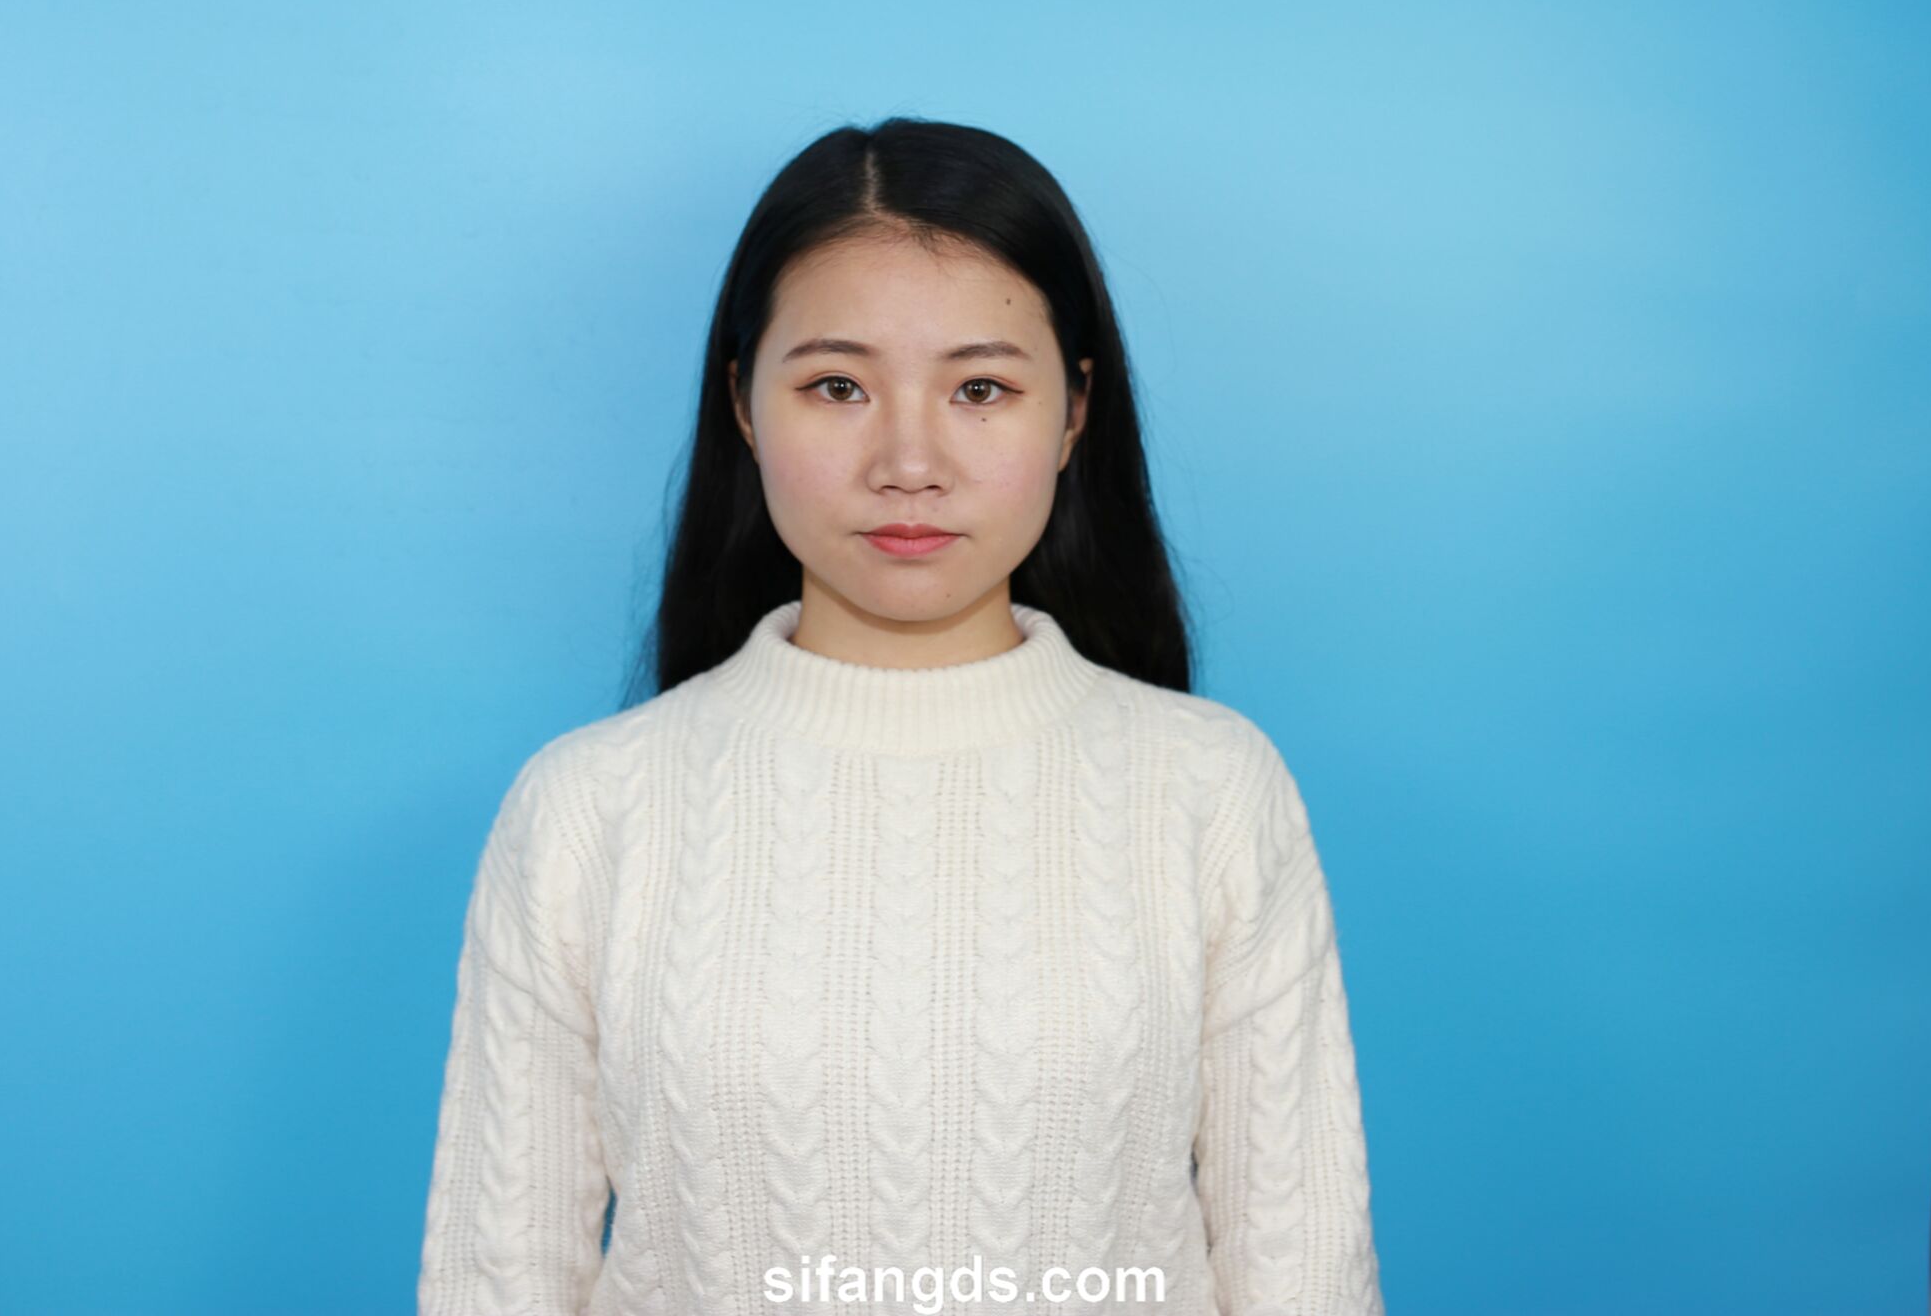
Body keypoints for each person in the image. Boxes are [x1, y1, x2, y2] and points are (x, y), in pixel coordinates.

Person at [417, 118, 1381, 1316]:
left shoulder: (1211, 793)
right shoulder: (586, 811)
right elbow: (497, 1282)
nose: (909, 462)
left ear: (1074, 412)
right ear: (744, 404)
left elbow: (1304, 1277)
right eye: (837, 387)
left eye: (981, 388)